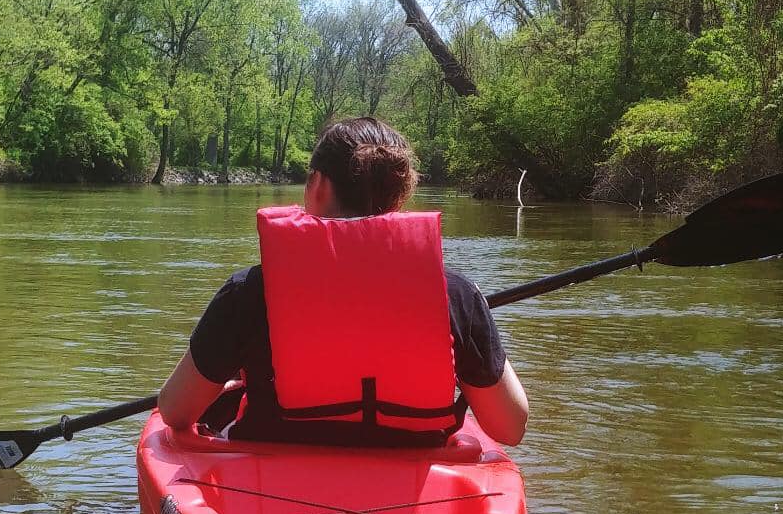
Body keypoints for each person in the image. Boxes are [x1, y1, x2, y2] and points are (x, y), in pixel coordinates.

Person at [157, 117, 529, 447]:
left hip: (272, 487)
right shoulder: (454, 295)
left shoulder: (249, 292)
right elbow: (509, 427)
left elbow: (175, 411)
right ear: (399, 197)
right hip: (414, 495)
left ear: (317, 185)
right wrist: (474, 313)